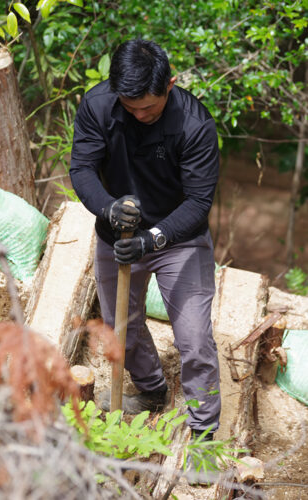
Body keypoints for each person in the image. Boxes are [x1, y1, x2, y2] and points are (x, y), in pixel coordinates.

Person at [70, 39, 221, 439]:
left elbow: (199, 201)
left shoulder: (194, 124)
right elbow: (82, 169)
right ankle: (152, 391)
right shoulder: (98, 106)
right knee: (124, 329)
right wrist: (108, 208)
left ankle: (204, 435)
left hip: (180, 239)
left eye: (148, 108)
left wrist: (151, 240)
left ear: (170, 84)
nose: (139, 115)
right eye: (130, 106)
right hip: (116, 236)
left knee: (194, 340)